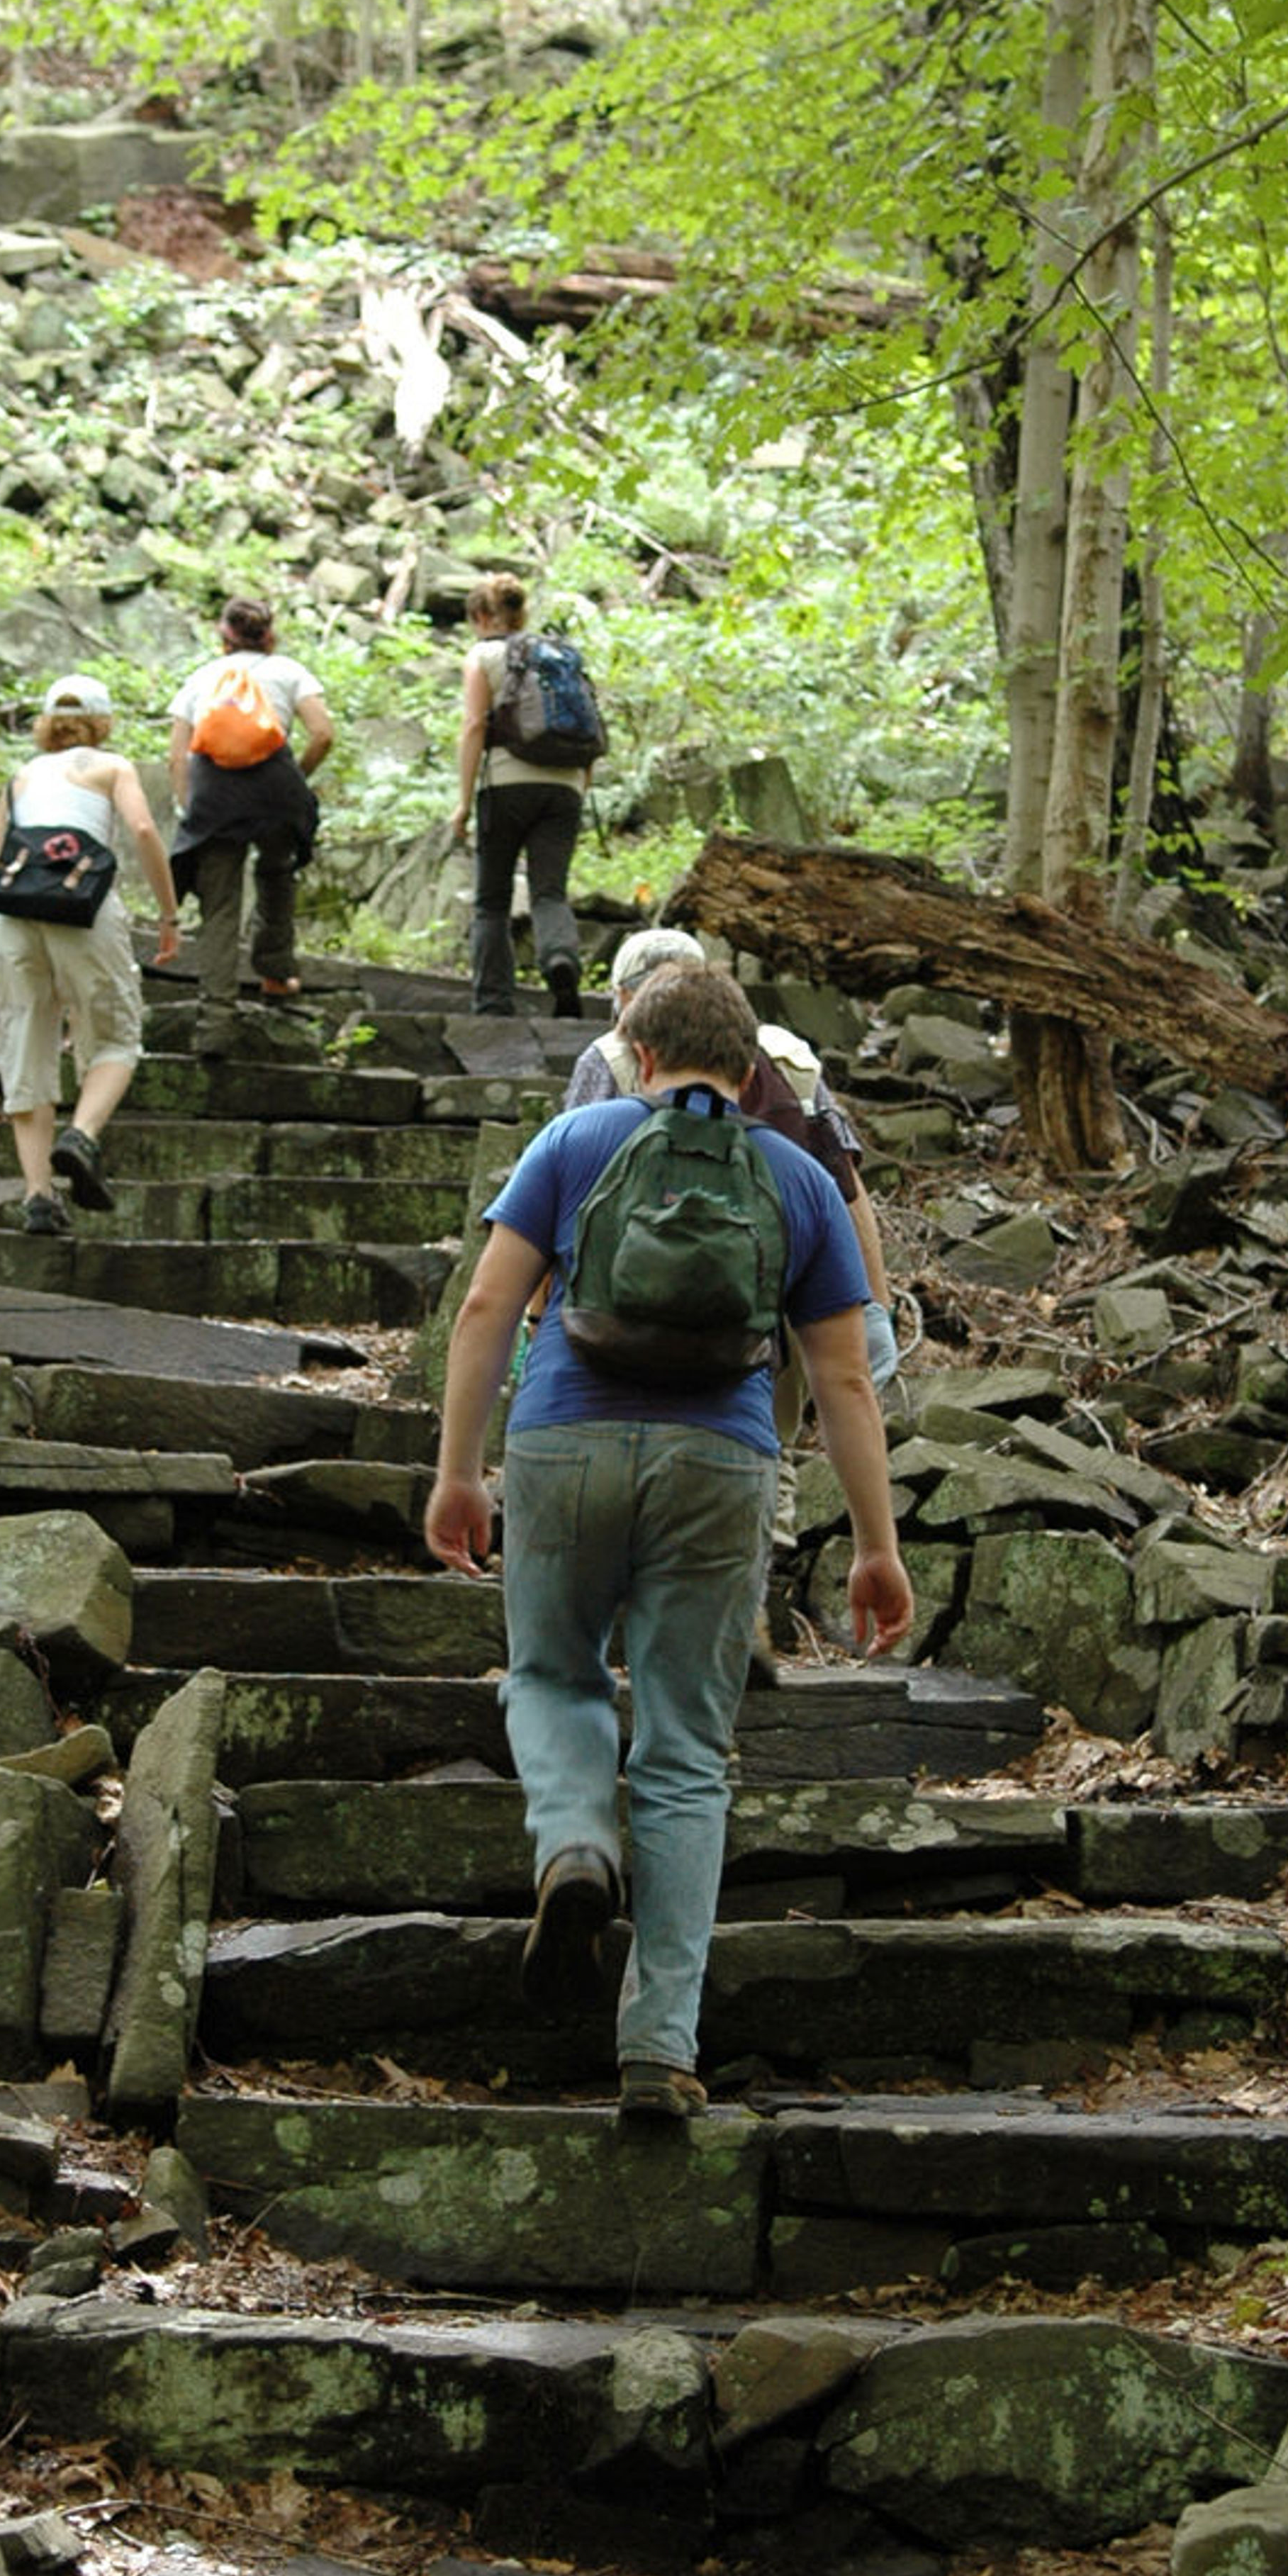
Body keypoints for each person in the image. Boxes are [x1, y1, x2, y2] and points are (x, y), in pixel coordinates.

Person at [425, 960, 913, 2121]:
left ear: (636, 1054)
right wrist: (875, 1546)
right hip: (723, 1462)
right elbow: (843, 1376)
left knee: (553, 1672)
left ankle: (577, 1849)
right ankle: (659, 2049)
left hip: (563, 1448)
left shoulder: (577, 1140)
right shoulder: (793, 1174)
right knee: (688, 1752)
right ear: (751, 1075)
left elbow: (489, 1308)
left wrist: (457, 1472)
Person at [569, 926, 897, 1389]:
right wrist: (875, 1308)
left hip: (630, 1301)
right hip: (767, 1298)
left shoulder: (608, 1060)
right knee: (763, 1433)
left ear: (622, 998)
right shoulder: (786, 1057)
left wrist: (542, 1320)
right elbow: (842, 1182)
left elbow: (571, 1191)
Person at [0, 672, 179, 1233]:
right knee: (116, 1037)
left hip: (12, 917)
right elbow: (142, 828)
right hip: (82, 913)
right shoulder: (113, 767)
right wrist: (168, 915)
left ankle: (39, 1196)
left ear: (47, 723)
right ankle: (82, 1135)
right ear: (101, 723)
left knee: (25, 1042)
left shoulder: (19, 778)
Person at [169, 595, 332, 1049]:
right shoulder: (289, 671)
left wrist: (191, 808)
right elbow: (323, 733)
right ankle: (277, 975)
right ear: (269, 634)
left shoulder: (201, 678)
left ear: (224, 638)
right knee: (277, 872)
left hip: (215, 795)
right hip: (276, 787)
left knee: (219, 908)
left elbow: (177, 757)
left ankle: (215, 1025)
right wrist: (296, 779)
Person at [449, 569, 587, 1021]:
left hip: (506, 786)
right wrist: (580, 784)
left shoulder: (484, 655)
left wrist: (464, 802)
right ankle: (561, 960)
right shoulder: (558, 654)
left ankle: (493, 1005)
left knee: (492, 900)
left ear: (483, 616)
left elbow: (473, 727)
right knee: (550, 892)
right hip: (565, 785)